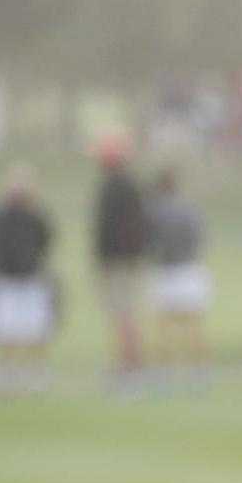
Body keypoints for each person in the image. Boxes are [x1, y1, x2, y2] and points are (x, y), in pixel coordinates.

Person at [0, 165, 58, 393]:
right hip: (7, 279)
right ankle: (7, 374)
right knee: (5, 329)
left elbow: (47, 239)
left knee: (35, 328)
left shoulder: (34, 215)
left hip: (31, 277)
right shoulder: (1, 216)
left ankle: (37, 373)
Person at [90, 134, 149, 389]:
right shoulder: (131, 185)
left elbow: (107, 229)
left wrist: (103, 258)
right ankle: (127, 364)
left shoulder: (112, 188)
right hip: (129, 260)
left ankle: (129, 366)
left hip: (117, 262)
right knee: (125, 313)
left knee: (122, 314)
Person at [143, 169, 211, 387]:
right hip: (190, 268)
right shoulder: (188, 208)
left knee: (164, 325)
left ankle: (162, 371)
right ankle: (198, 371)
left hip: (166, 269)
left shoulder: (154, 210)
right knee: (193, 324)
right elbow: (199, 236)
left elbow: (149, 240)